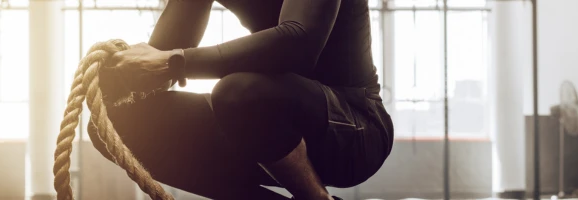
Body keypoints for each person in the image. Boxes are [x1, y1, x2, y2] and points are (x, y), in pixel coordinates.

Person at [86, 0, 394, 199]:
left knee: (238, 92)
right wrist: (120, 77)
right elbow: (160, 62)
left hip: (355, 131)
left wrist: (176, 61)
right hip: (263, 126)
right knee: (117, 125)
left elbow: (300, 43)